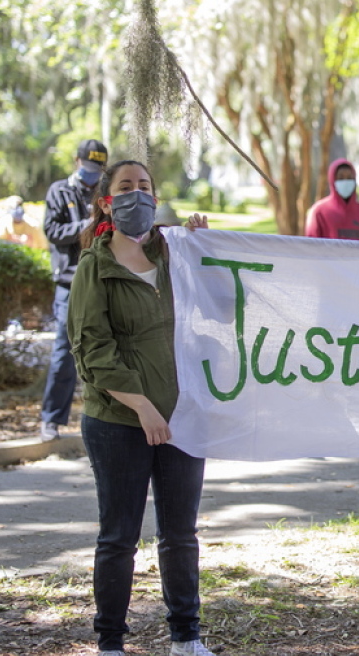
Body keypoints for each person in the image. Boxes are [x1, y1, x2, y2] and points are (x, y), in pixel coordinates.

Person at [67, 160, 217, 656]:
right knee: (119, 538)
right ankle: (110, 643)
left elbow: (221, 306)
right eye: (125, 187)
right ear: (107, 202)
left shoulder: (177, 255)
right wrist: (143, 408)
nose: (137, 195)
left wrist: (207, 247)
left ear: (156, 196)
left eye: (145, 186)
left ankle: (186, 639)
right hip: (118, 423)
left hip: (182, 419)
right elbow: (92, 351)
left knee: (180, 535)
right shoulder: (96, 266)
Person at [40, 138, 109, 440]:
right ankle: (51, 420)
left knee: (105, 351)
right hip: (69, 283)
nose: (92, 173)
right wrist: (85, 225)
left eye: (99, 169)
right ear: (77, 161)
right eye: (89, 167)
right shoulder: (60, 191)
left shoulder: (105, 193)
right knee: (63, 353)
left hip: (102, 279)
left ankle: (105, 419)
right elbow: (53, 231)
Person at [305, 158, 359, 241]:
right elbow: (311, 246)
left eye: (349, 177)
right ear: (332, 180)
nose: (345, 181)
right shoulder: (319, 211)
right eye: (341, 177)